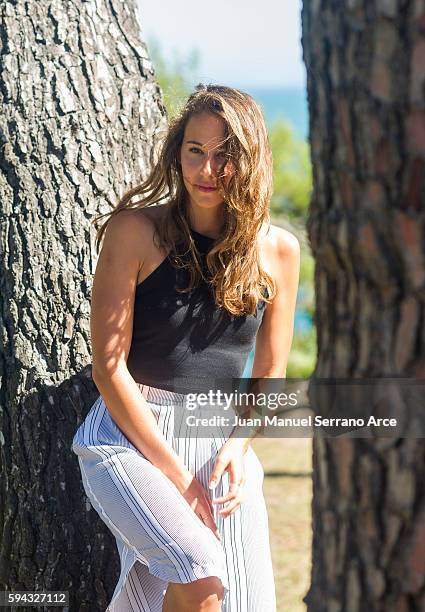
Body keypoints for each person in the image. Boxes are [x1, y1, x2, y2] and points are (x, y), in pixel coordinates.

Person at [71, 83, 300, 612]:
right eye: (195, 150)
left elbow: (269, 373)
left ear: (251, 160)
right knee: (201, 576)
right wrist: (178, 477)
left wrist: (239, 446)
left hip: (220, 448)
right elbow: (109, 370)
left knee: (243, 604)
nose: (207, 169)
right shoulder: (135, 231)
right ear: (178, 152)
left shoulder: (278, 251)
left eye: (225, 155)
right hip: (128, 439)